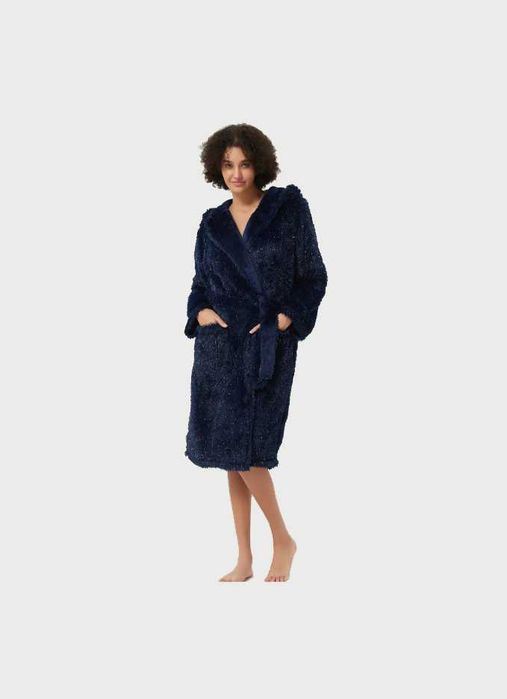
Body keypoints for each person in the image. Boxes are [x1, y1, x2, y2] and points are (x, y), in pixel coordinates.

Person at [183, 123, 328, 582]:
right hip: (219, 353)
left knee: (249, 450)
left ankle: (282, 538)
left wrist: (285, 319)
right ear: (216, 168)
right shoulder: (212, 224)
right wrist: (200, 312)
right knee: (231, 455)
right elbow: (200, 283)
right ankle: (244, 557)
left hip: (267, 347)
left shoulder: (288, 211)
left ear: (259, 164)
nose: (237, 173)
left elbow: (314, 276)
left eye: (245, 163)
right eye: (228, 165)